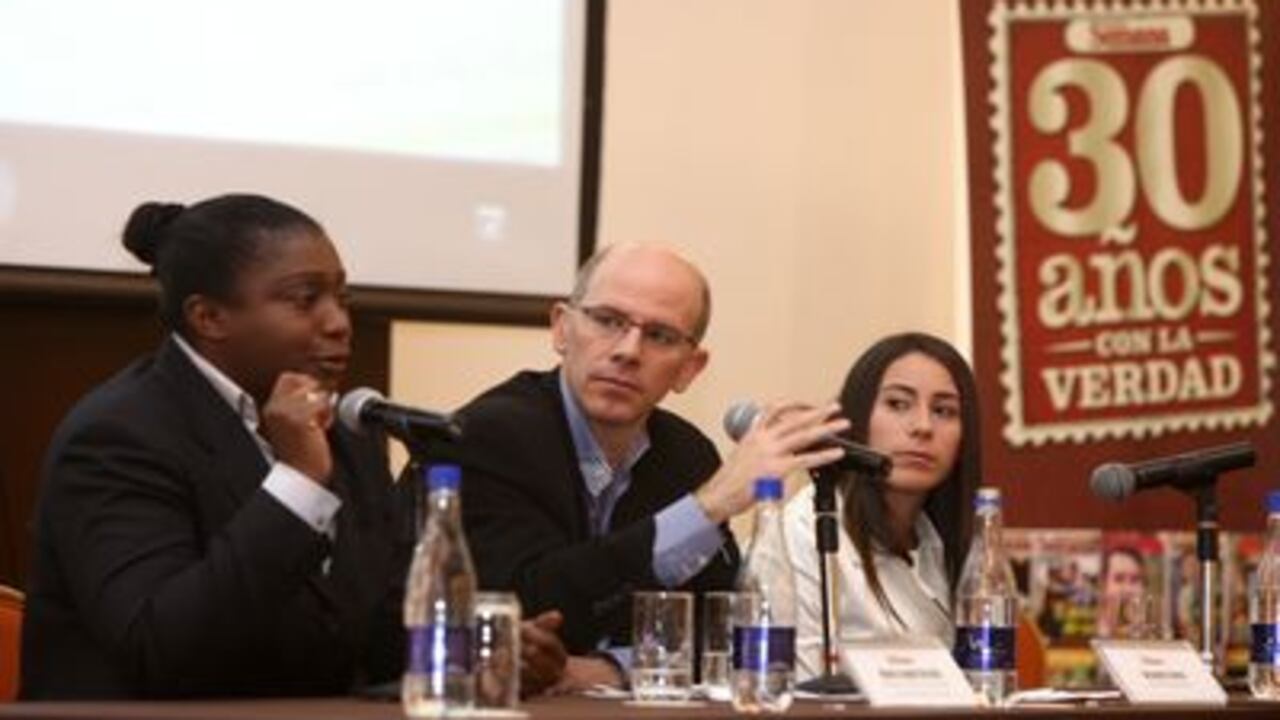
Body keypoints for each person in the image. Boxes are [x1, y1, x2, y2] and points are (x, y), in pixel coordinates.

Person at [18, 193, 568, 698]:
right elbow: (158, 648)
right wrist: (298, 484)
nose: (339, 323)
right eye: (306, 300)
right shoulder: (119, 437)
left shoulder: (343, 432)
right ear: (209, 317)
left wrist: (474, 652)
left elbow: (364, 636)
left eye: (341, 297)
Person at [449, 243, 848, 689]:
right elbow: (523, 601)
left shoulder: (686, 454)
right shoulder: (490, 434)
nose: (628, 351)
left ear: (689, 369)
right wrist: (707, 507)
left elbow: (714, 632)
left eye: (659, 335)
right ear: (561, 328)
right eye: (607, 321)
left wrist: (608, 669)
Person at [753, 332, 982, 680]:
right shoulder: (800, 529)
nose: (922, 427)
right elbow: (788, 690)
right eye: (898, 404)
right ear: (857, 419)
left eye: (943, 411)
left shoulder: (938, 540)